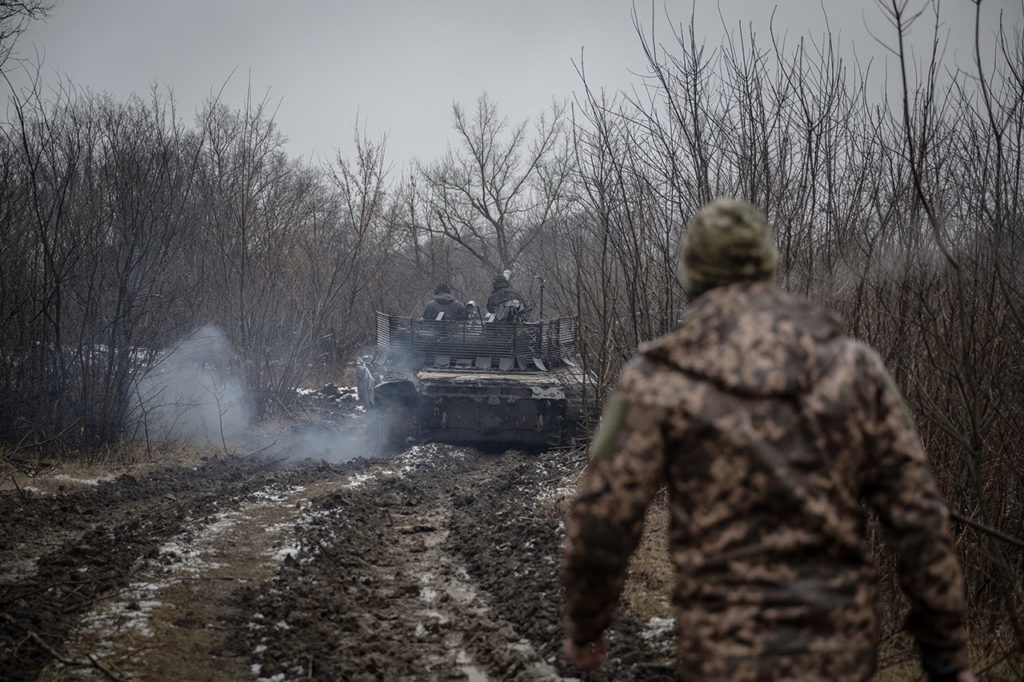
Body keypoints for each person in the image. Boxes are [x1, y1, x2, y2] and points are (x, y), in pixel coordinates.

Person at [560, 198, 975, 682]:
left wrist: (587, 626)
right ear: (769, 265)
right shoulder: (855, 368)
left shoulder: (659, 379)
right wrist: (945, 653)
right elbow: (919, 516)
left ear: (692, 272)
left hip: (724, 650)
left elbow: (603, 520)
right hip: (839, 650)